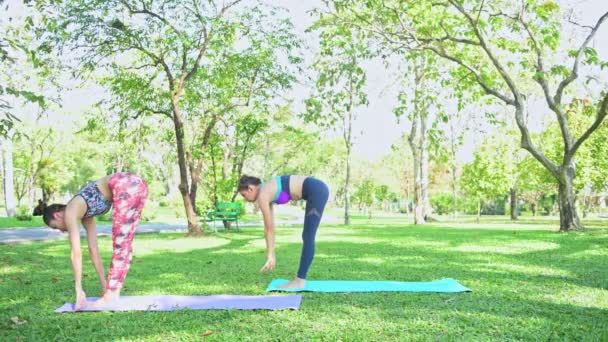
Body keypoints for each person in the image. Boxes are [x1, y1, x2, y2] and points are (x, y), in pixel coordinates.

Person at [33, 172, 148, 310]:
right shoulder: (85, 211)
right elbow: (93, 250)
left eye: (56, 227)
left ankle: (111, 296)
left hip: (125, 184)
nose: (62, 231)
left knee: (121, 243)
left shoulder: (71, 210)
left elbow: (76, 252)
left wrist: (78, 289)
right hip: (137, 183)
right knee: (124, 241)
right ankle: (110, 291)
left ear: (57, 215)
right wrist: (103, 283)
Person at [238, 174, 329, 288]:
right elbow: (271, 227)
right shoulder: (266, 191)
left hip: (317, 191)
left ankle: (300, 280)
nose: (245, 199)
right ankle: (300, 280)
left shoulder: (263, 195)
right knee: (307, 236)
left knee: (308, 236)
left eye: (244, 195)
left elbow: (268, 229)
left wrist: (271, 255)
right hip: (317, 190)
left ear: (250, 188)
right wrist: (271, 254)